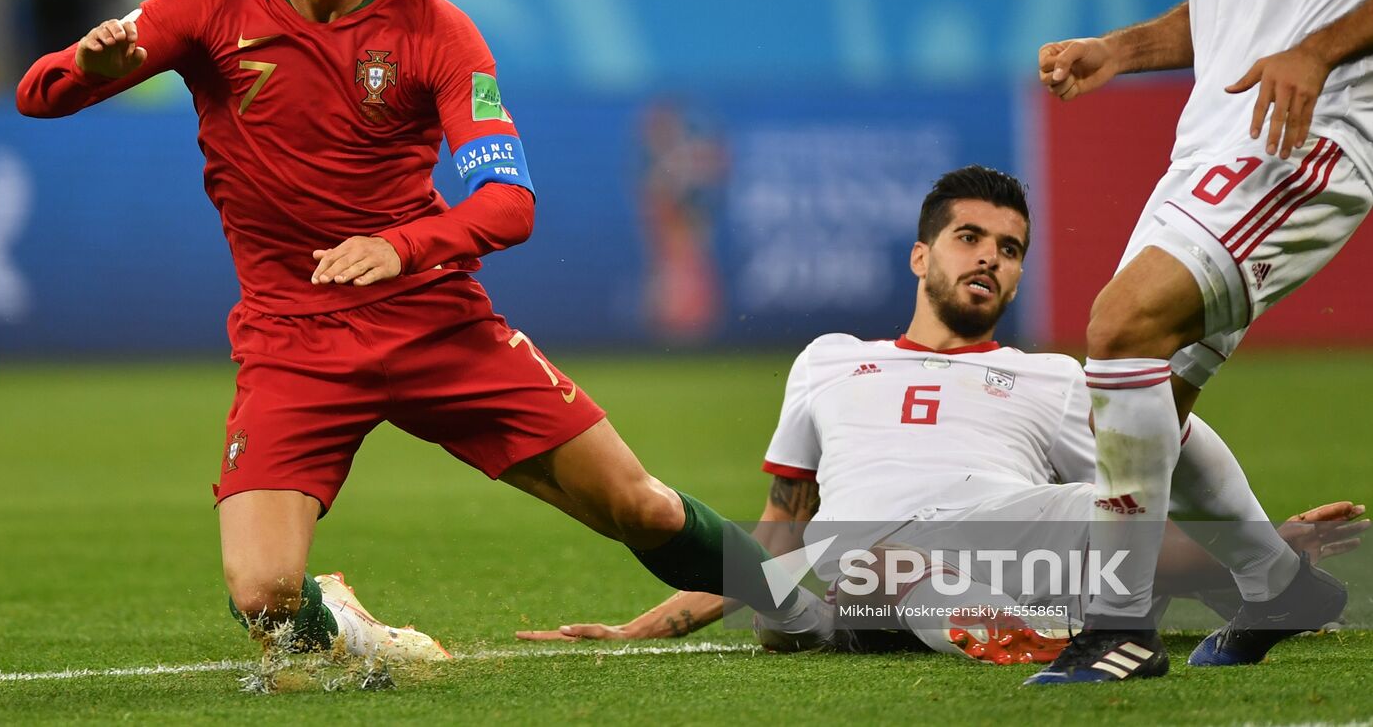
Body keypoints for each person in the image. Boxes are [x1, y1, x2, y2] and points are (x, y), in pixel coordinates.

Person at [15, 0, 826, 669]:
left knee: (646, 509)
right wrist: (88, 69)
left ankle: (801, 606)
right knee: (264, 600)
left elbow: (510, 203)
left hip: (434, 320)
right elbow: (39, 94)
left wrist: (401, 246)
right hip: (294, 340)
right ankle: (357, 634)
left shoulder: (436, 30)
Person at [515, 166, 1365, 662]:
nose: (990, 257)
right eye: (970, 238)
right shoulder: (829, 358)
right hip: (870, 558)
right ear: (923, 254)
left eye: (1009, 248)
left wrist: (1262, 540)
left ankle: (1268, 584)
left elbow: (1132, 495)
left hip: (1006, 530)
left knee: (1109, 499)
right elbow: (776, 535)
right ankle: (995, 619)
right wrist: (648, 622)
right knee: (859, 555)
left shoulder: (1052, 377)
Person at [1032, 0, 1373, 684]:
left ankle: (1116, 628)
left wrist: (1318, 49)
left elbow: (1305, 26)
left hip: (1312, 132)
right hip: (1212, 139)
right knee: (1151, 401)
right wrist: (1122, 48)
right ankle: (1279, 585)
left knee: (1120, 327)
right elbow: (1231, 7)